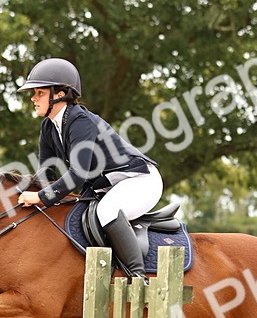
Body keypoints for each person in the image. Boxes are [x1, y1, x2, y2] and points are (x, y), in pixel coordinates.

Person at [15, 58, 162, 280]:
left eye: (40, 93)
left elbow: (77, 174)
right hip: (108, 185)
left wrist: (41, 197)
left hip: (139, 181)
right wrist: (31, 194)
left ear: (60, 94)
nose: (33, 98)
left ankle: (138, 277)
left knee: (107, 211)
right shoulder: (48, 127)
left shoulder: (80, 120)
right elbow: (46, 172)